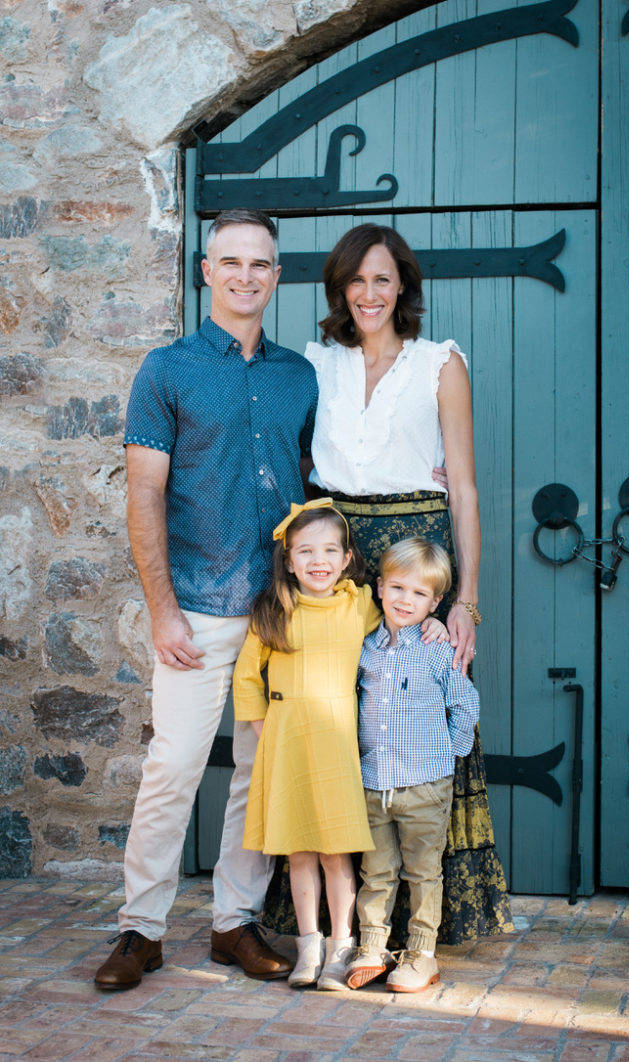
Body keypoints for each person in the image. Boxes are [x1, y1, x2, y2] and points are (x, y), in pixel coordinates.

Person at [265, 223, 512, 945]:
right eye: (355, 279)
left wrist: (466, 599)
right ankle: (345, 924)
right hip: (339, 561)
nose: (368, 293)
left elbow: (462, 488)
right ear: (339, 288)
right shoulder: (317, 364)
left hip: (413, 559)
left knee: (421, 720)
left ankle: (427, 922)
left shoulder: (440, 363)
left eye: (382, 278)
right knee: (343, 720)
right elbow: (298, 470)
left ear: (403, 284)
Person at [94, 209, 318, 991]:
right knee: (176, 765)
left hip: (280, 611)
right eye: (231, 262)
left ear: (277, 275)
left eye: (261, 264)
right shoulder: (167, 370)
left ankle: (234, 923)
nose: (246, 276)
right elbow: (144, 496)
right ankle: (140, 929)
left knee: (261, 771)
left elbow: (315, 483)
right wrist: (161, 608)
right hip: (196, 603)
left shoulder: (301, 375)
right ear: (206, 271)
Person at [233, 500, 449, 991]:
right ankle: (308, 944)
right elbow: (247, 673)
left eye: (330, 549)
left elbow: (402, 615)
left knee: (336, 852)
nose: (318, 560)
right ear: (288, 560)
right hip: (287, 744)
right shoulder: (274, 610)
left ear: (348, 557)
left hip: (336, 746)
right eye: (305, 551)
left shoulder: (358, 605)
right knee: (300, 852)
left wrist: (432, 623)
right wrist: (263, 725)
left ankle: (341, 947)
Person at [345, 538, 479, 993]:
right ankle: (372, 947)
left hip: (425, 782)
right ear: (380, 588)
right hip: (373, 779)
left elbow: (465, 704)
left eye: (420, 594)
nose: (406, 600)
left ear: (436, 601)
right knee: (375, 871)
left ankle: (422, 953)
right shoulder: (364, 647)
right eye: (398, 588)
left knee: (423, 871)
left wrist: (451, 754)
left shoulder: (438, 650)